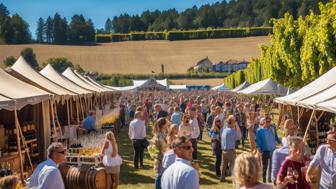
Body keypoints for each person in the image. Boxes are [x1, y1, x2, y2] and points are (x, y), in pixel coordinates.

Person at [256, 116, 282, 183]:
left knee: (271, 166)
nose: (268, 123)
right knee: (264, 167)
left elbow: (276, 137)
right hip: (264, 151)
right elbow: (258, 142)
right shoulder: (260, 130)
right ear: (263, 122)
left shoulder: (272, 129)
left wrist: (282, 143)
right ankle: (263, 180)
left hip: (273, 150)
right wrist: (259, 150)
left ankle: (269, 179)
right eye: (267, 121)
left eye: (269, 121)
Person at [220, 115, 241, 182]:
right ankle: (234, 179)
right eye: (234, 122)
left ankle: (222, 177)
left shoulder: (224, 130)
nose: (235, 123)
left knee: (223, 165)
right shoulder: (232, 131)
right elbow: (239, 137)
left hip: (224, 150)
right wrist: (237, 127)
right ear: (231, 123)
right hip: (231, 151)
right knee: (233, 165)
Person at [151, 118, 169, 189]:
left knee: (162, 175)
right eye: (167, 123)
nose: (168, 124)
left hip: (163, 158)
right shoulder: (159, 135)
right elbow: (161, 148)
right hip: (160, 159)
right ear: (163, 125)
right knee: (159, 176)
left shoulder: (163, 134)